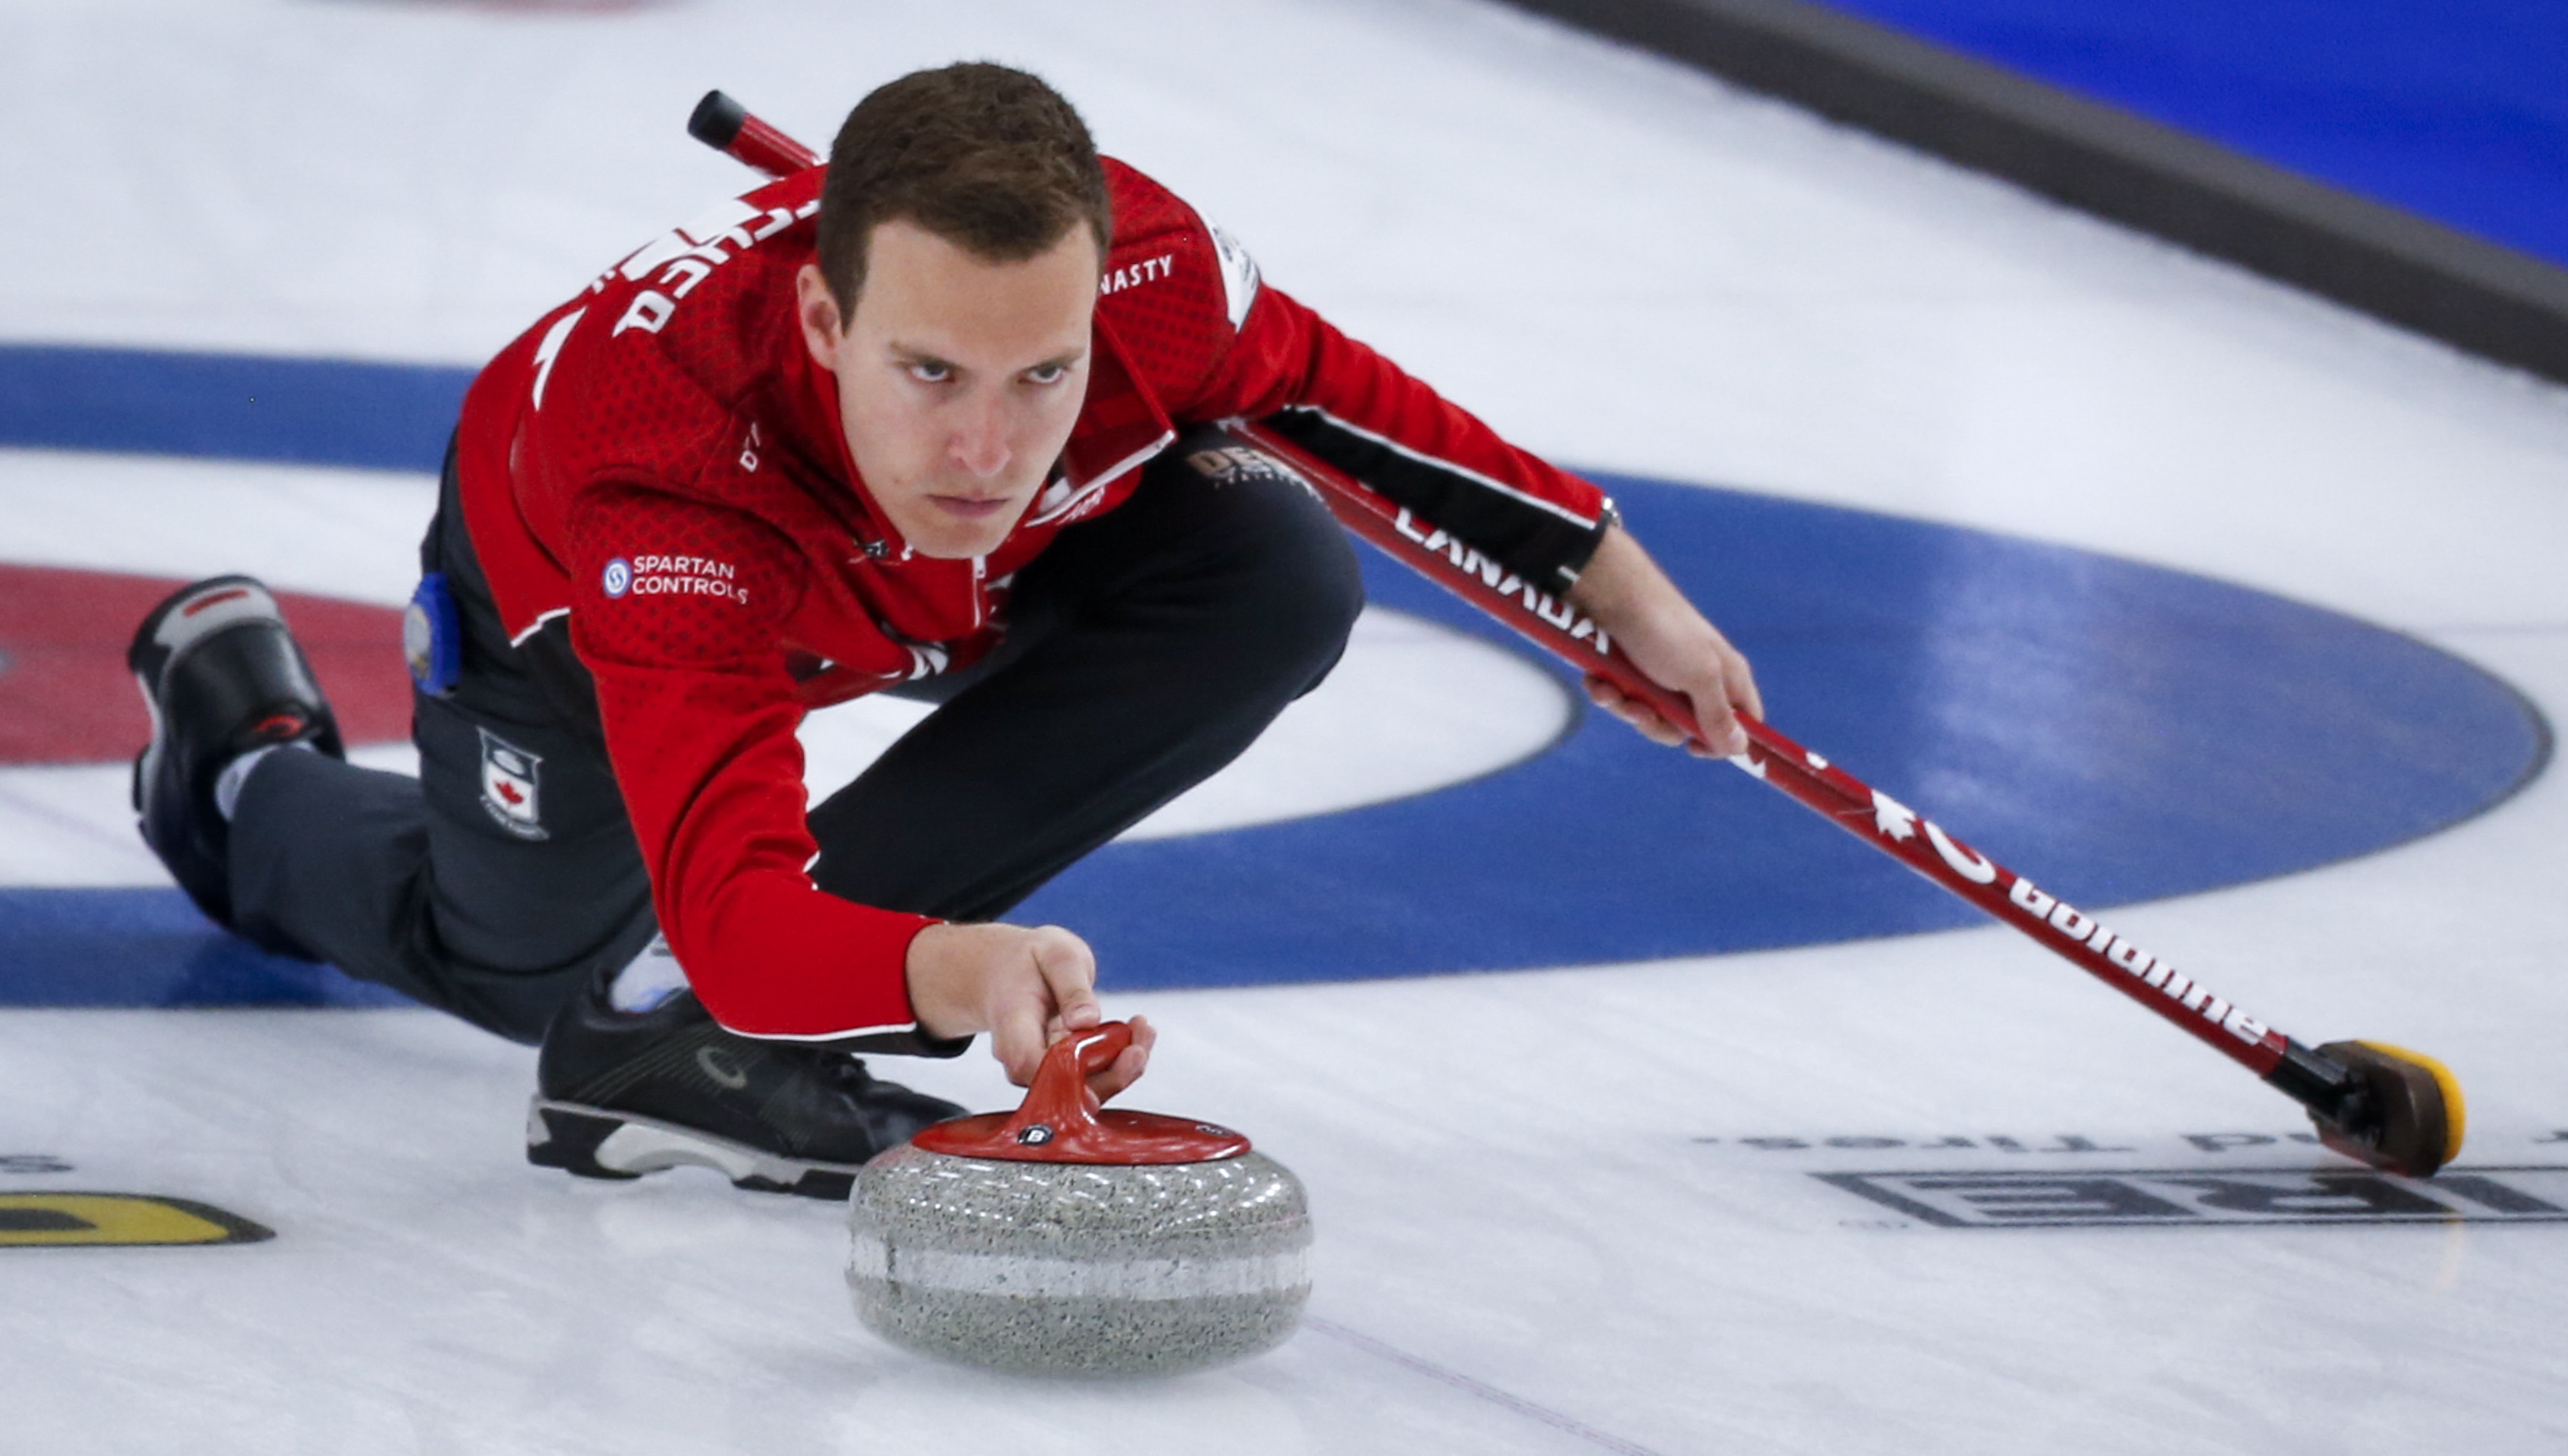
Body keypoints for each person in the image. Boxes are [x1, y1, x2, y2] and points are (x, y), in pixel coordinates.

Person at [126, 63, 1762, 1199]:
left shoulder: (1159, 275)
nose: (985, 450)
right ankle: (244, 772)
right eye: (929, 373)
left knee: (1269, 554)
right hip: (583, 611)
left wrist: (1619, 585)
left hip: (926, 586)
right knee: (520, 965)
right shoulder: (668, 487)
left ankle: (660, 1051)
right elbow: (741, 915)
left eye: (1039, 374)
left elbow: (1360, 412)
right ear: (828, 319)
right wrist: (939, 960)